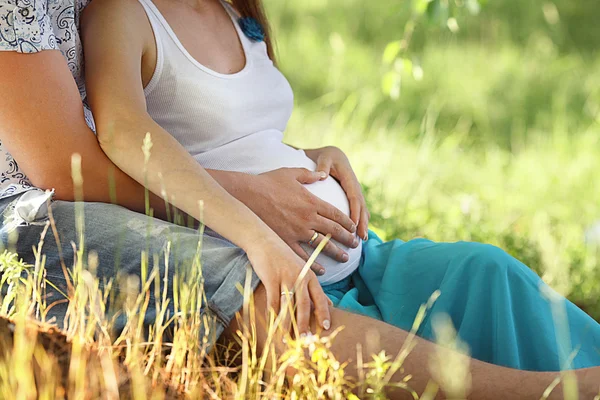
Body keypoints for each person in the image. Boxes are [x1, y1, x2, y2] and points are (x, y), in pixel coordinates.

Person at [1, 0, 600, 398]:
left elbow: (205, 125)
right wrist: (257, 221)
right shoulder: (111, 12)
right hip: (52, 213)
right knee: (268, 298)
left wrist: (306, 157)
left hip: (343, 248)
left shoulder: (221, 10)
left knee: (484, 269)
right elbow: (89, 153)